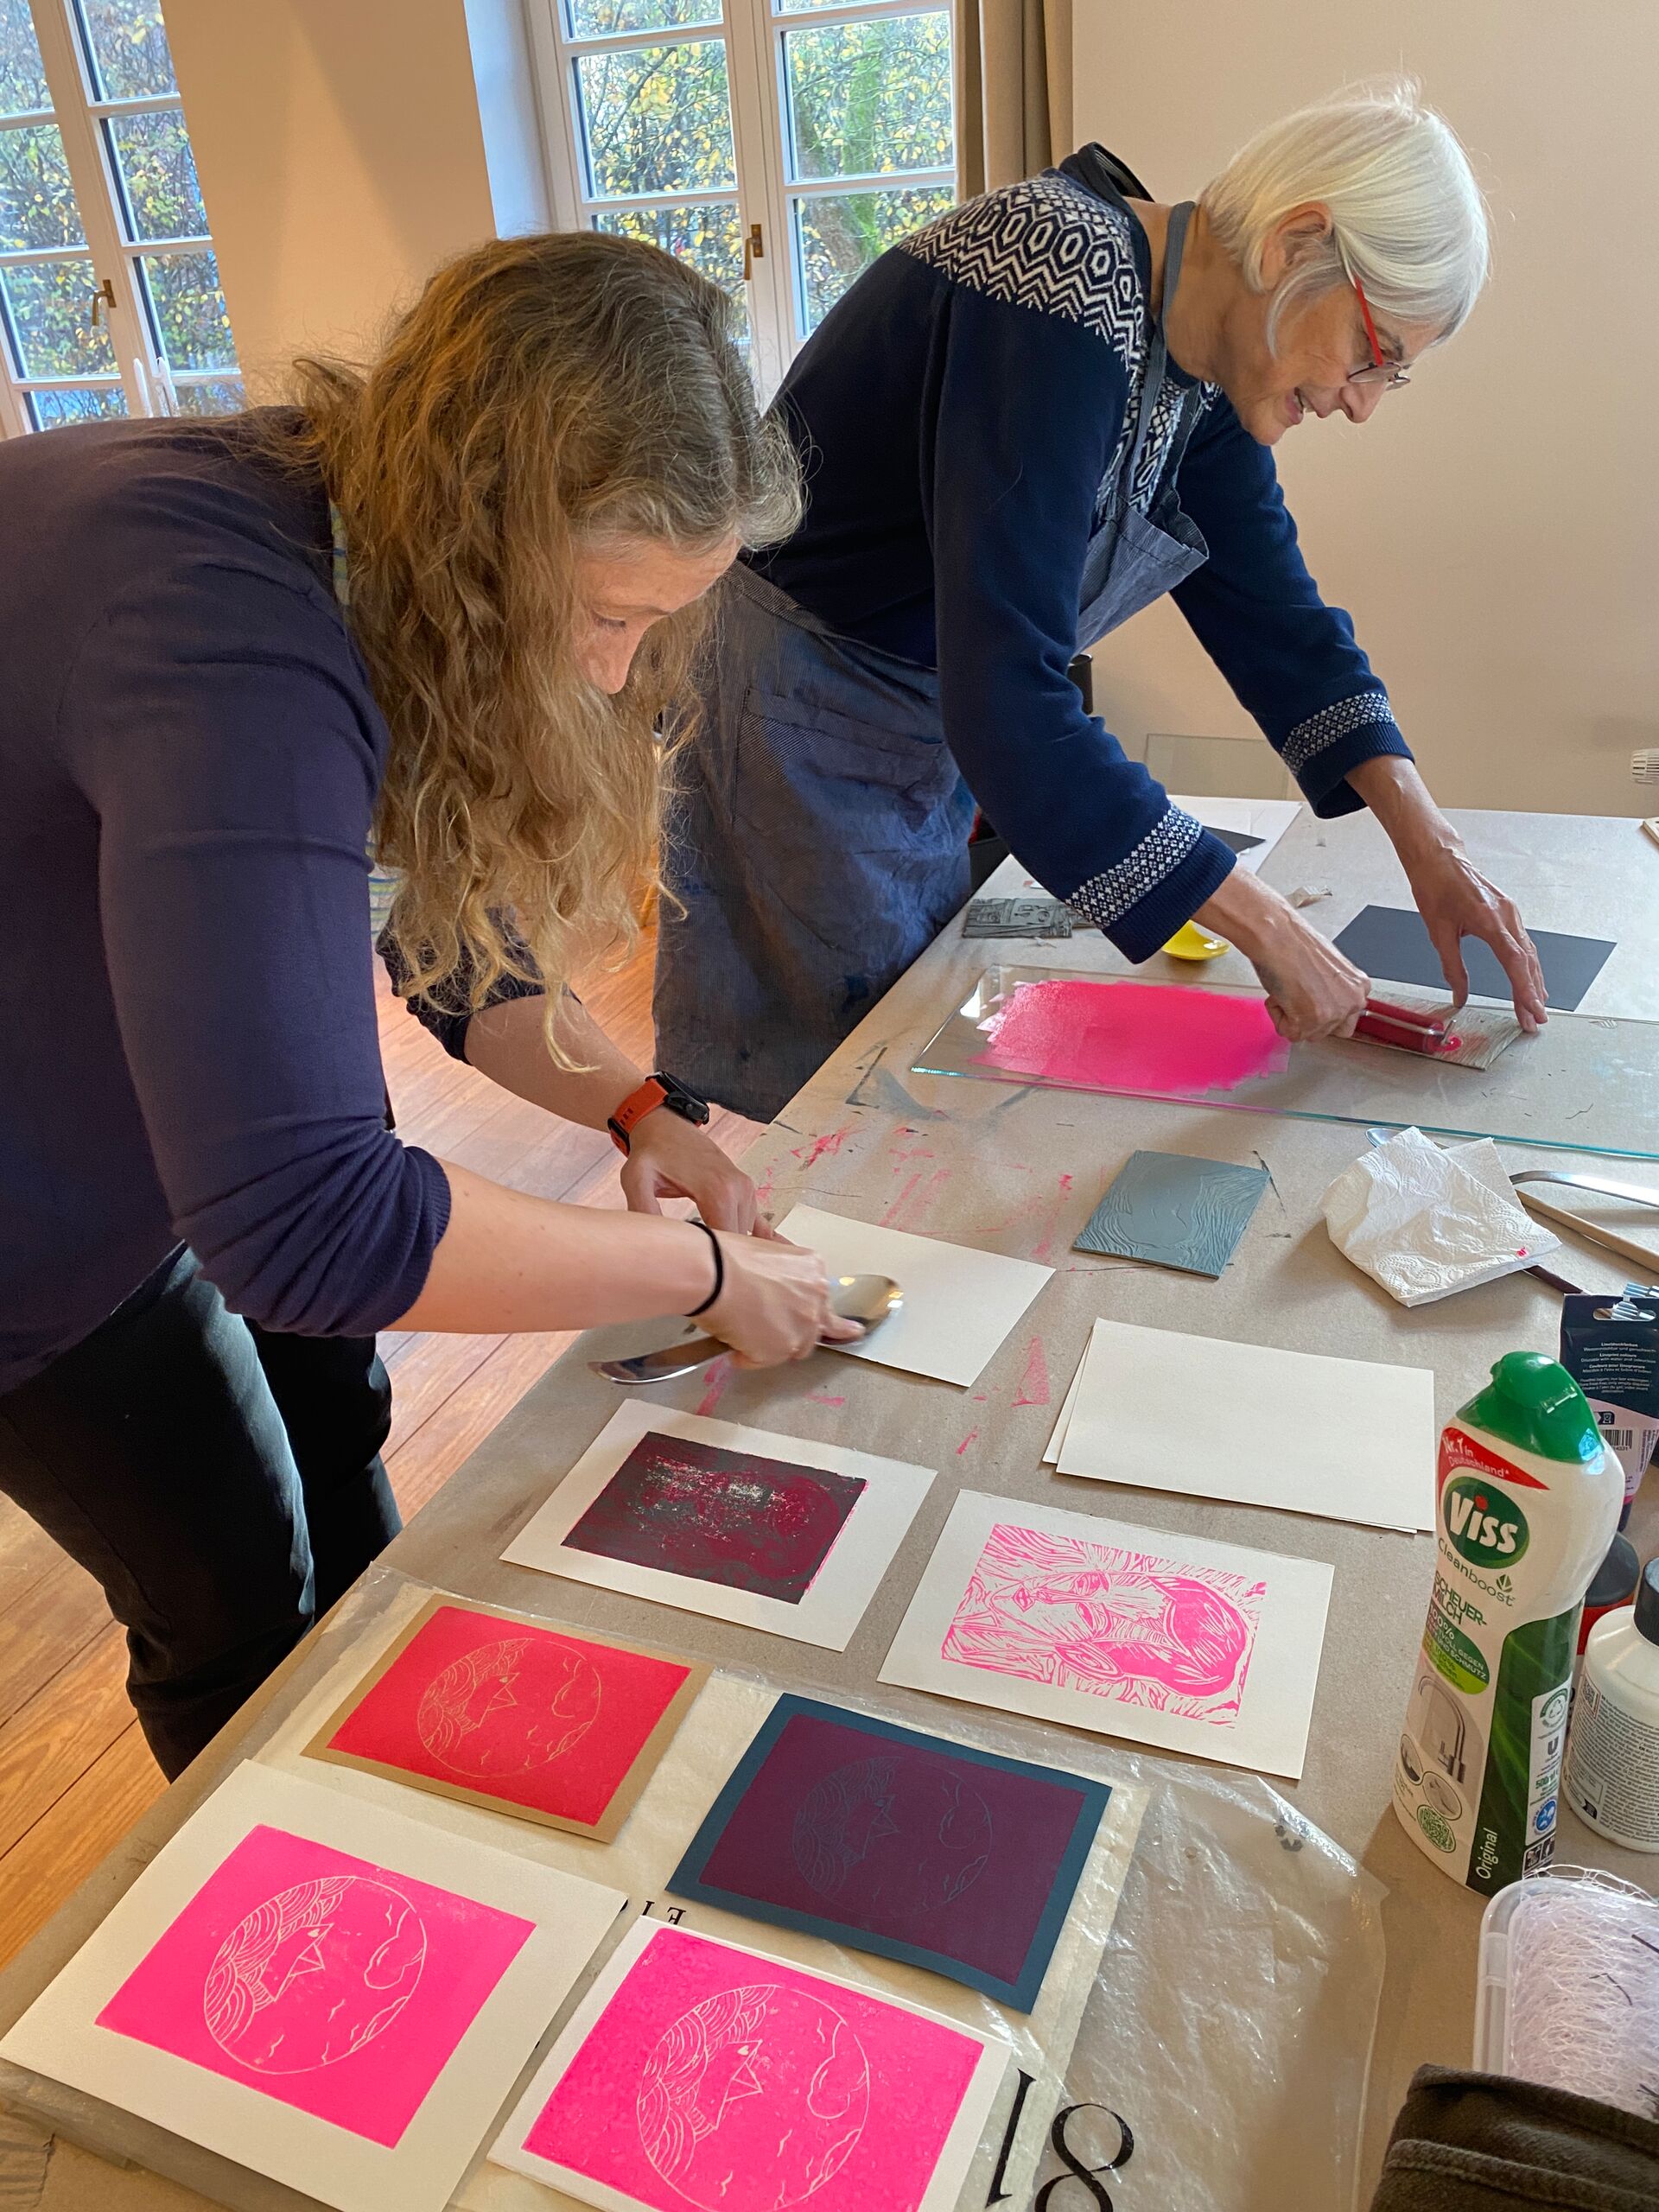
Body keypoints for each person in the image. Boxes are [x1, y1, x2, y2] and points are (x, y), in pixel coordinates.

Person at [0, 232, 856, 1779]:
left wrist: (639, 1108)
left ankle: (376, 1759)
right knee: (230, 1577)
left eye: (651, 626)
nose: (614, 677)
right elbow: (304, 1222)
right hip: (31, 1197)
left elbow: (436, 931)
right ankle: (295, 1884)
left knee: (334, 1419)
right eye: (603, 616)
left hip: (120, 1033)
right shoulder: (225, 642)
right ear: (486, 536)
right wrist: (703, 1269)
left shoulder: (362, 531)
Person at [655, 82, 1548, 1122]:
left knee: (911, 1052)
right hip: (796, 700)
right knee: (850, 1097)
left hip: (909, 705)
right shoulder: (1060, 272)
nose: (1362, 404)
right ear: (1294, 244)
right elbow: (1012, 704)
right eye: (1375, 354)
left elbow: (1280, 621)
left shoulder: (1200, 359)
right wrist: (1267, 928)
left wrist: (1431, 845)